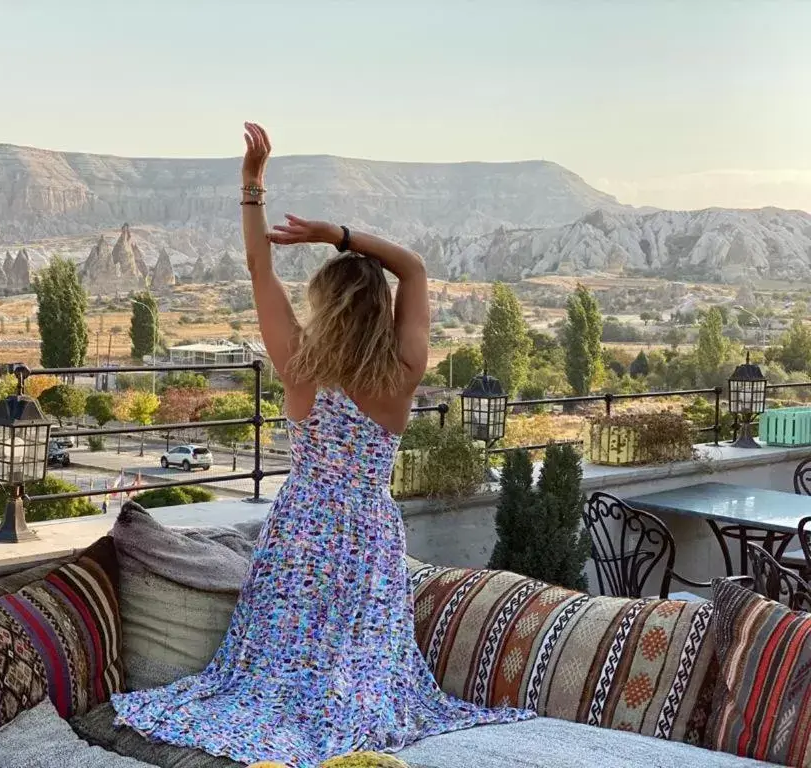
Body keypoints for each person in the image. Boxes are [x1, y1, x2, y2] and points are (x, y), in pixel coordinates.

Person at [111, 123, 533, 767]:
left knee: (277, 666)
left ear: (324, 306)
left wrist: (252, 184)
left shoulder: (298, 364)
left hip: (299, 529)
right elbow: (414, 266)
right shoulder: (402, 370)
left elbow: (258, 265)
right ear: (381, 309)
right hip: (368, 530)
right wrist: (336, 234)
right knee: (358, 663)